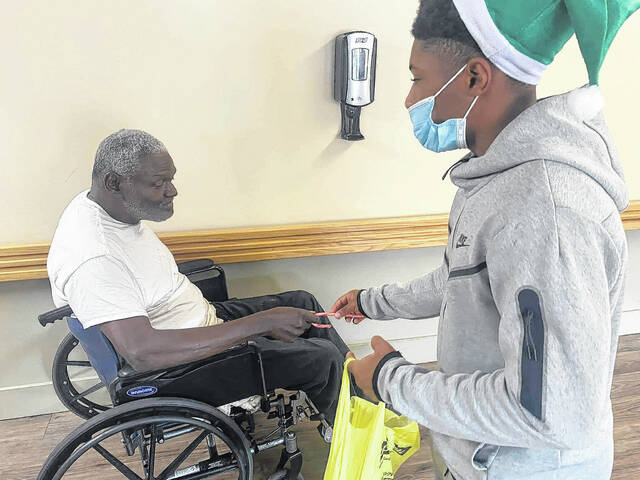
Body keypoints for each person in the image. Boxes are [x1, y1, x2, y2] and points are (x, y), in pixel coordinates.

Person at [332, 0, 639, 478]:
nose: (410, 100)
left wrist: (391, 381)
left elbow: (551, 414)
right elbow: (461, 276)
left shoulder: (544, 210)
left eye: (417, 78)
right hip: (479, 455)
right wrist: (373, 302)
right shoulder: (499, 181)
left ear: (475, 78)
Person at [47, 129, 351, 425]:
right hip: (179, 368)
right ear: (113, 183)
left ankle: (363, 391)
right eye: (158, 183)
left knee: (302, 302)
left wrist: (264, 321)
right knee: (321, 358)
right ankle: (355, 435)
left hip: (193, 320)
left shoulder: (103, 206)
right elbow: (143, 353)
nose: (172, 190)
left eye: (171, 179)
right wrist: (262, 323)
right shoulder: (94, 257)